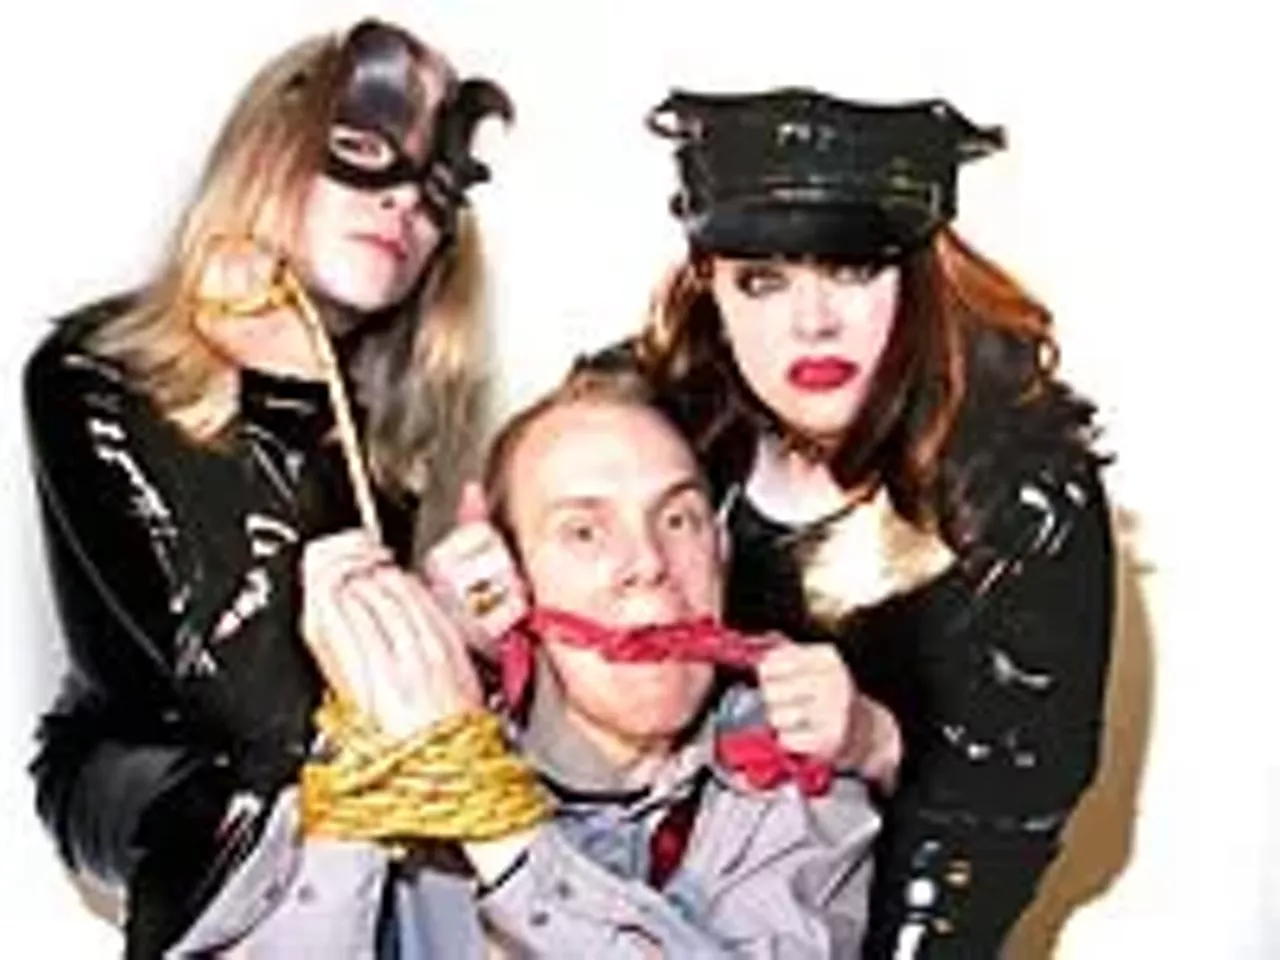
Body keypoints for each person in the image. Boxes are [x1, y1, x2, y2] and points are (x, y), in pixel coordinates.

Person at [578, 88, 1115, 957]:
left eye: (853, 269)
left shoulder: (1020, 498)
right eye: (762, 280)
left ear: (925, 272)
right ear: (710, 285)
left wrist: (878, 740)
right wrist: (479, 606)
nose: (812, 321)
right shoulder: (648, 431)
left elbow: (1007, 813)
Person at [22, 18, 510, 957]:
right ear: (271, 151)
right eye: (363, 151)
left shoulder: (396, 422)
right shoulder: (93, 373)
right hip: (159, 773)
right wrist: (289, 386)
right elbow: (256, 704)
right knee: (258, 798)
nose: (402, 202)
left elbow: (353, 720)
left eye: (435, 188)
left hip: (334, 775)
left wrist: (455, 632)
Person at [166, 367, 881, 957]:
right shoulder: (401, 744)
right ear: (504, 574)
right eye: (583, 531)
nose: (647, 564)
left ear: (720, 556)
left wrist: (494, 822)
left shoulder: (791, 776)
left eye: (678, 518)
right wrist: (374, 759)